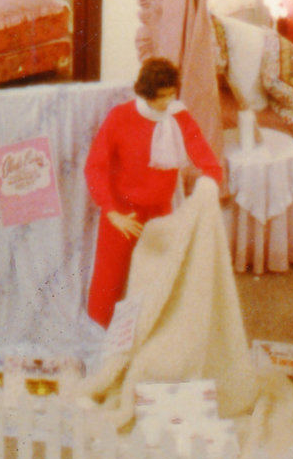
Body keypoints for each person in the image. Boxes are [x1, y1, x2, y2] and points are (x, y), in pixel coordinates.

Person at [82, 55, 223, 329]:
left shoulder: (178, 115)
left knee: (158, 273)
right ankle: (99, 332)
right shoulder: (120, 117)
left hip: (160, 210)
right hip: (123, 211)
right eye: (160, 97)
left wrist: (212, 181)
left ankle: (150, 327)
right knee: (108, 278)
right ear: (145, 93)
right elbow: (95, 167)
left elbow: (203, 153)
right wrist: (110, 211)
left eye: (171, 94)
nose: (166, 102)